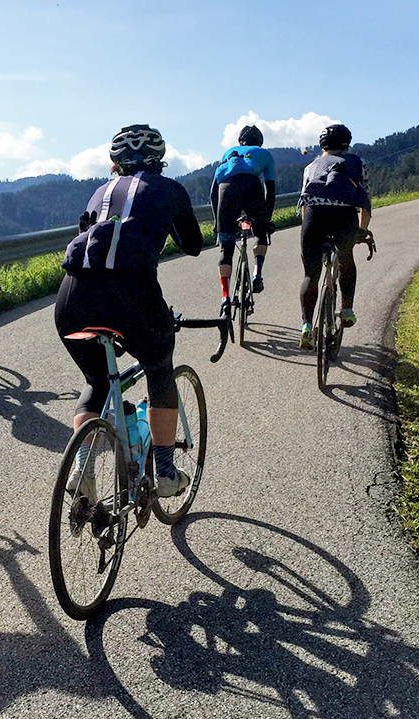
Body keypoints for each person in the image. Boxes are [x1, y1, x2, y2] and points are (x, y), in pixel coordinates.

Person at [55, 124, 203, 498]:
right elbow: (194, 245)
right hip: (133, 294)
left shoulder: (99, 191)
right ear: (159, 159)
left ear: (114, 162)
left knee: (97, 381)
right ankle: (166, 473)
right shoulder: (169, 189)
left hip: (72, 297)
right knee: (158, 370)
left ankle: (82, 470)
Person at [296, 124, 372, 349]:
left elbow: (304, 203)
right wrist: (362, 230)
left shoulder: (310, 167)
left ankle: (307, 327)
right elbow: (365, 201)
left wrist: (308, 232)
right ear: (346, 144)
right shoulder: (358, 163)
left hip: (313, 217)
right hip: (343, 217)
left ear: (322, 146)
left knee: (310, 274)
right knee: (346, 259)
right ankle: (346, 310)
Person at [209, 124, 276, 312]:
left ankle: (225, 297)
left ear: (240, 141)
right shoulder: (263, 153)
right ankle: (257, 274)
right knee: (260, 234)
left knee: (226, 247)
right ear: (259, 142)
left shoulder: (228, 153)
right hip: (252, 187)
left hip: (226, 189)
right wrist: (265, 219)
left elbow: (213, 193)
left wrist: (218, 223)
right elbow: (270, 190)